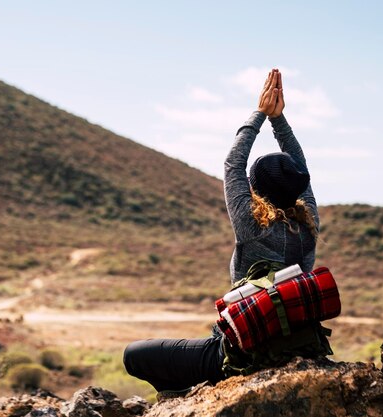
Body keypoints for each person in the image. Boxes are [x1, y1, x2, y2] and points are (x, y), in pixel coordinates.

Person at [123, 68, 319, 394]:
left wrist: (261, 113)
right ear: (297, 190)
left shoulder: (253, 226)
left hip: (240, 353)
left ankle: (181, 403)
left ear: (255, 189)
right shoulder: (309, 226)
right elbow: (301, 171)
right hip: (290, 347)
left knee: (135, 356)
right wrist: (279, 121)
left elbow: (233, 163)